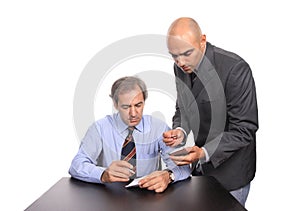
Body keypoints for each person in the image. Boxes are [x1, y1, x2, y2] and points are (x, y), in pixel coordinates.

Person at [163, 17, 258, 206]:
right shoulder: (180, 66)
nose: (180, 62)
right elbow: (183, 106)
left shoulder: (235, 69)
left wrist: (203, 152)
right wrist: (180, 131)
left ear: (203, 40)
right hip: (200, 171)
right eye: (174, 55)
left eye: (186, 53)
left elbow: (245, 129)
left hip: (231, 175)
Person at [69, 76, 190, 193]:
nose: (133, 113)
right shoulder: (100, 128)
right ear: (115, 104)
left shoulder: (158, 128)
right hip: (109, 196)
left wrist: (169, 175)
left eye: (138, 105)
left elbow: (183, 166)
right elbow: (76, 165)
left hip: (148, 196)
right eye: (126, 107)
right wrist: (102, 174)